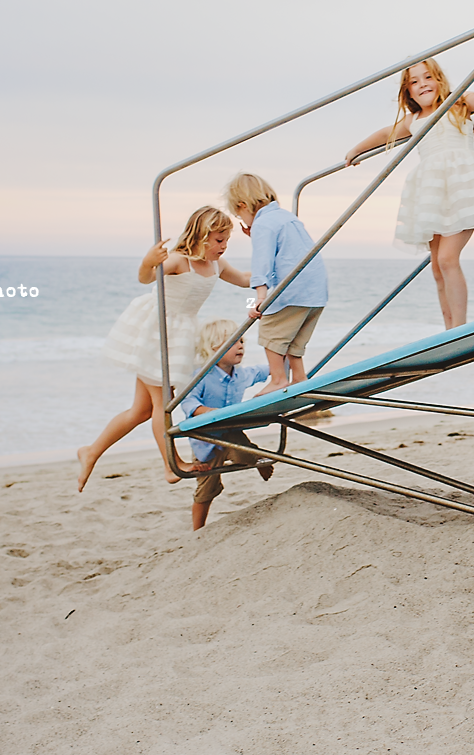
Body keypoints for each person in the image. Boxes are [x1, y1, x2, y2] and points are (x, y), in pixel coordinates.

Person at [344, 52, 474, 329]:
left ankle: (460, 327)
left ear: (439, 80)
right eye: (415, 81)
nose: (423, 84)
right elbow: (384, 134)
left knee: (448, 259)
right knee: (437, 267)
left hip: (464, 189)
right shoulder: (414, 120)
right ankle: (449, 327)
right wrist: (356, 149)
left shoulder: (459, 103)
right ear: (408, 92)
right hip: (433, 195)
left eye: (428, 77)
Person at [80, 206, 252, 491]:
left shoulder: (217, 265)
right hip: (157, 331)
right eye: (219, 240)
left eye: (227, 241)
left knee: (141, 411)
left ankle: (91, 451)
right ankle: (170, 464)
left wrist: (274, 273)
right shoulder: (179, 260)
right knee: (163, 403)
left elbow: (245, 279)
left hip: (180, 336)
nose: (223, 246)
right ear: (202, 236)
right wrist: (148, 262)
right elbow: (146, 278)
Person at [226, 173, 330, 397]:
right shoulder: (285, 217)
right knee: (293, 338)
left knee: (271, 329)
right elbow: (287, 252)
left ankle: (278, 379)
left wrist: (260, 297)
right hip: (315, 291)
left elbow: (262, 261)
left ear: (243, 205)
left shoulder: (263, 224)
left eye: (239, 215)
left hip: (294, 289)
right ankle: (299, 377)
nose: (243, 222)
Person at [178, 320, 274, 531]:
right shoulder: (201, 376)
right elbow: (189, 403)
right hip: (205, 441)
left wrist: (284, 361)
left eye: (242, 341)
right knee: (205, 490)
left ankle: (258, 459)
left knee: (244, 455)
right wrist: (212, 413)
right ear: (213, 348)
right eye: (233, 342)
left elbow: (269, 369)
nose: (240, 346)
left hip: (232, 433)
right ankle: (197, 531)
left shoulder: (241, 374)